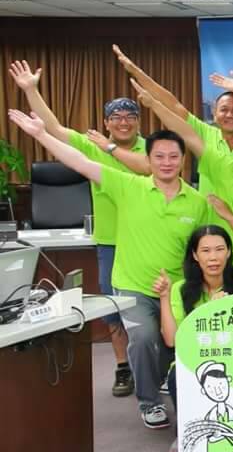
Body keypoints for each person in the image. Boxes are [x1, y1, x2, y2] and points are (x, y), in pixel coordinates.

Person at [9, 110, 208, 430]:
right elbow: (79, 162)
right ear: (148, 159)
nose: (167, 162)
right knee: (143, 338)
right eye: (159, 156)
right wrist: (41, 134)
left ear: (184, 160)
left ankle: (165, 382)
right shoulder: (127, 185)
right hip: (132, 285)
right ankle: (149, 402)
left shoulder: (197, 203)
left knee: (174, 342)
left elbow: (203, 246)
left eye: (174, 156)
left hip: (175, 288)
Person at [9, 60, 144, 397]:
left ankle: (156, 366)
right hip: (111, 243)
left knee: (153, 307)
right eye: (116, 117)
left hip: (147, 242)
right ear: (106, 123)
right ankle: (122, 367)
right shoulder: (91, 146)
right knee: (114, 308)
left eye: (130, 116)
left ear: (139, 122)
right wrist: (31, 90)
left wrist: (112, 149)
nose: (123, 122)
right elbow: (54, 128)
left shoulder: (151, 150)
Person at [127, 79, 233, 281]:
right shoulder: (227, 169)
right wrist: (154, 105)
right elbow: (188, 135)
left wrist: (229, 216)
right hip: (211, 266)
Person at [112, 45, 233, 194]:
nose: (230, 115)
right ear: (214, 113)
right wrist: (135, 71)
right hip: (207, 220)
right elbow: (174, 105)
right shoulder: (205, 133)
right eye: (224, 110)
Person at [158, 225, 233, 452]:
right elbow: (172, 340)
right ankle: (184, 429)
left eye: (220, 249)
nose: (213, 257)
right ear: (195, 255)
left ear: (229, 252)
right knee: (177, 373)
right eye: (206, 251)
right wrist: (164, 297)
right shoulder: (180, 289)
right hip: (195, 359)